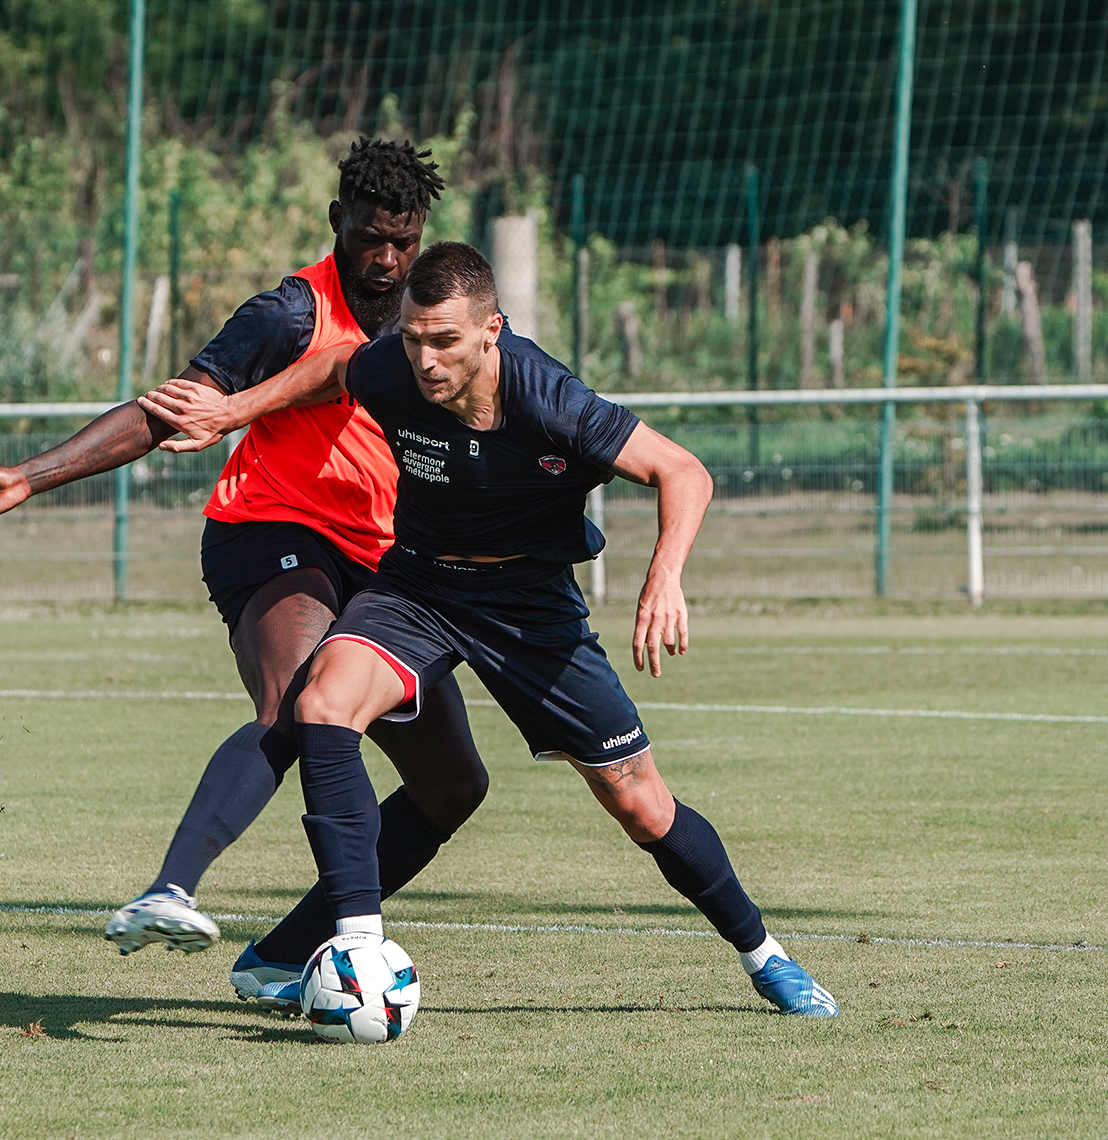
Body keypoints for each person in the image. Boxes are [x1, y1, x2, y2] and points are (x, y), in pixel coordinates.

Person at [138, 241, 840, 1017]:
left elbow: (683, 471)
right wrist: (232, 411)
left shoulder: (550, 400)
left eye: (445, 340)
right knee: (323, 703)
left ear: (490, 330)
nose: (426, 360)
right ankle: (355, 945)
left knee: (638, 801)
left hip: (530, 606)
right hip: (420, 585)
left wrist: (664, 576)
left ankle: (764, 955)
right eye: (413, 338)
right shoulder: (393, 366)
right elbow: (336, 365)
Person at [0, 141, 490, 998]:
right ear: (336, 221)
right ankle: (170, 889)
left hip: (383, 562)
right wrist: (29, 478)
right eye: (371, 238)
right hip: (273, 530)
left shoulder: (432, 327)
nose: (386, 259)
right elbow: (168, 413)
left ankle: (280, 956)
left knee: (452, 784)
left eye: (403, 243)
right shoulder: (289, 314)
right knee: (298, 699)